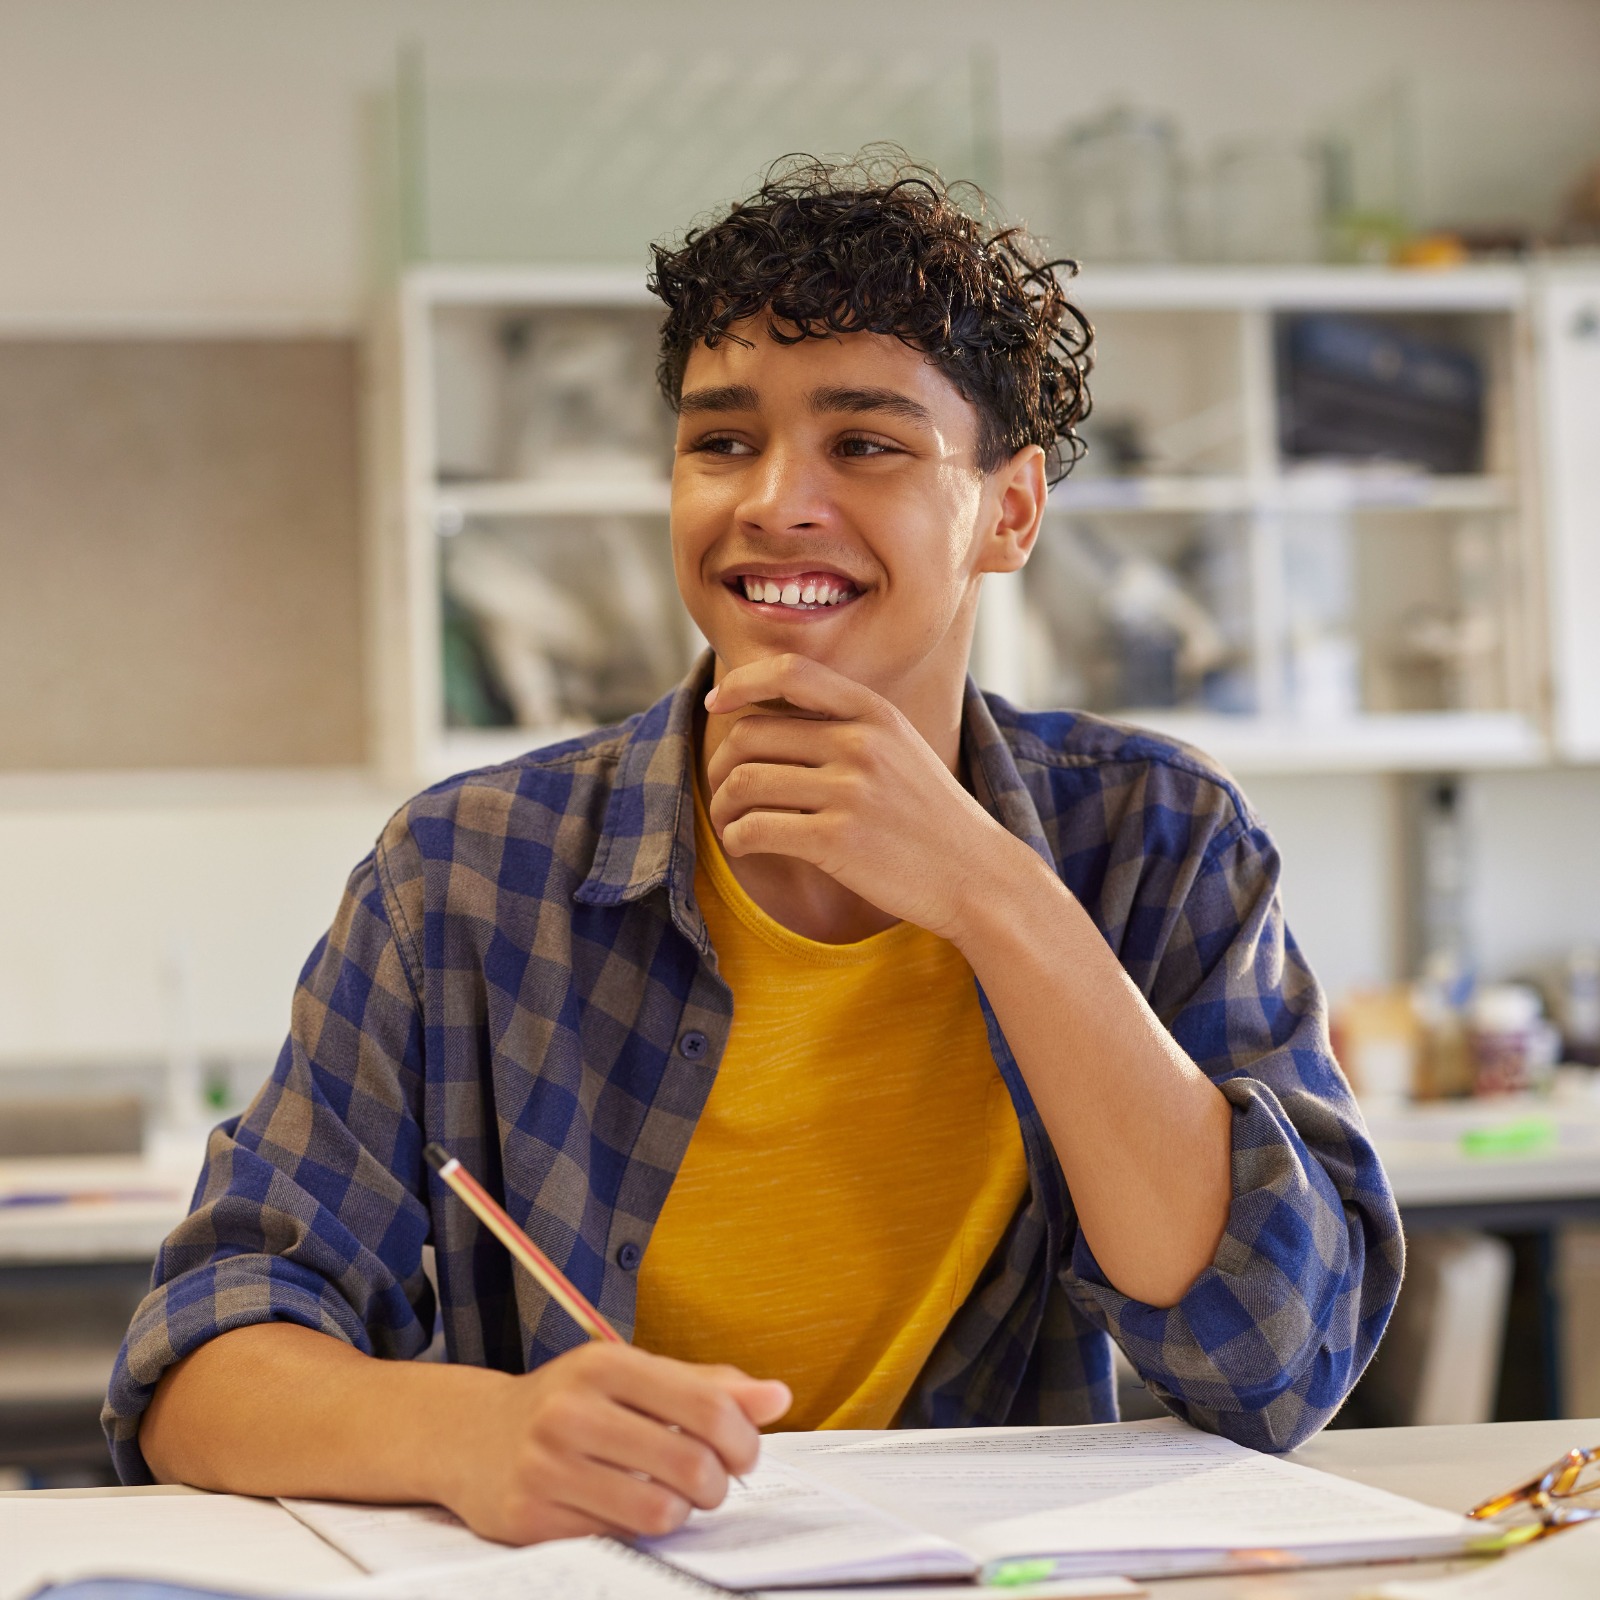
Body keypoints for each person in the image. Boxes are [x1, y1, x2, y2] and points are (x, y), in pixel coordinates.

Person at [106, 154, 1401, 1545]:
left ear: (1010, 511)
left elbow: (1277, 1358)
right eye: (721, 442)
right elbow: (194, 1369)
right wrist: (472, 1434)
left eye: (867, 444)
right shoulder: (463, 876)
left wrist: (994, 894)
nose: (775, 501)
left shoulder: (1157, 838)